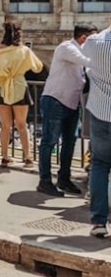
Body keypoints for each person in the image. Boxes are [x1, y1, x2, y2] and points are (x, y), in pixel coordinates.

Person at [36, 23, 96, 196]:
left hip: (71, 102)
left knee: (70, 141)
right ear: (84, 38)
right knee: (50, 140)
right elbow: (87, 61)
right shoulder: (67, 48)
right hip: (55, 100)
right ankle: (45, 181)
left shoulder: (80, 51)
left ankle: (64, 179)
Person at [0, 19, 44, 167]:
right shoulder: (24, 51)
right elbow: (38, 67)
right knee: (22, 125)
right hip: (19, 86)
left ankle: (4, 156)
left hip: (1, 87)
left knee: (5, 125)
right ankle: (27, 157)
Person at [83, 21, 111, 237]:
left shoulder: (94, 41)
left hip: (101, 112)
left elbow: (85, 66)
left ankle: (99, 222)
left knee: (99, 165)